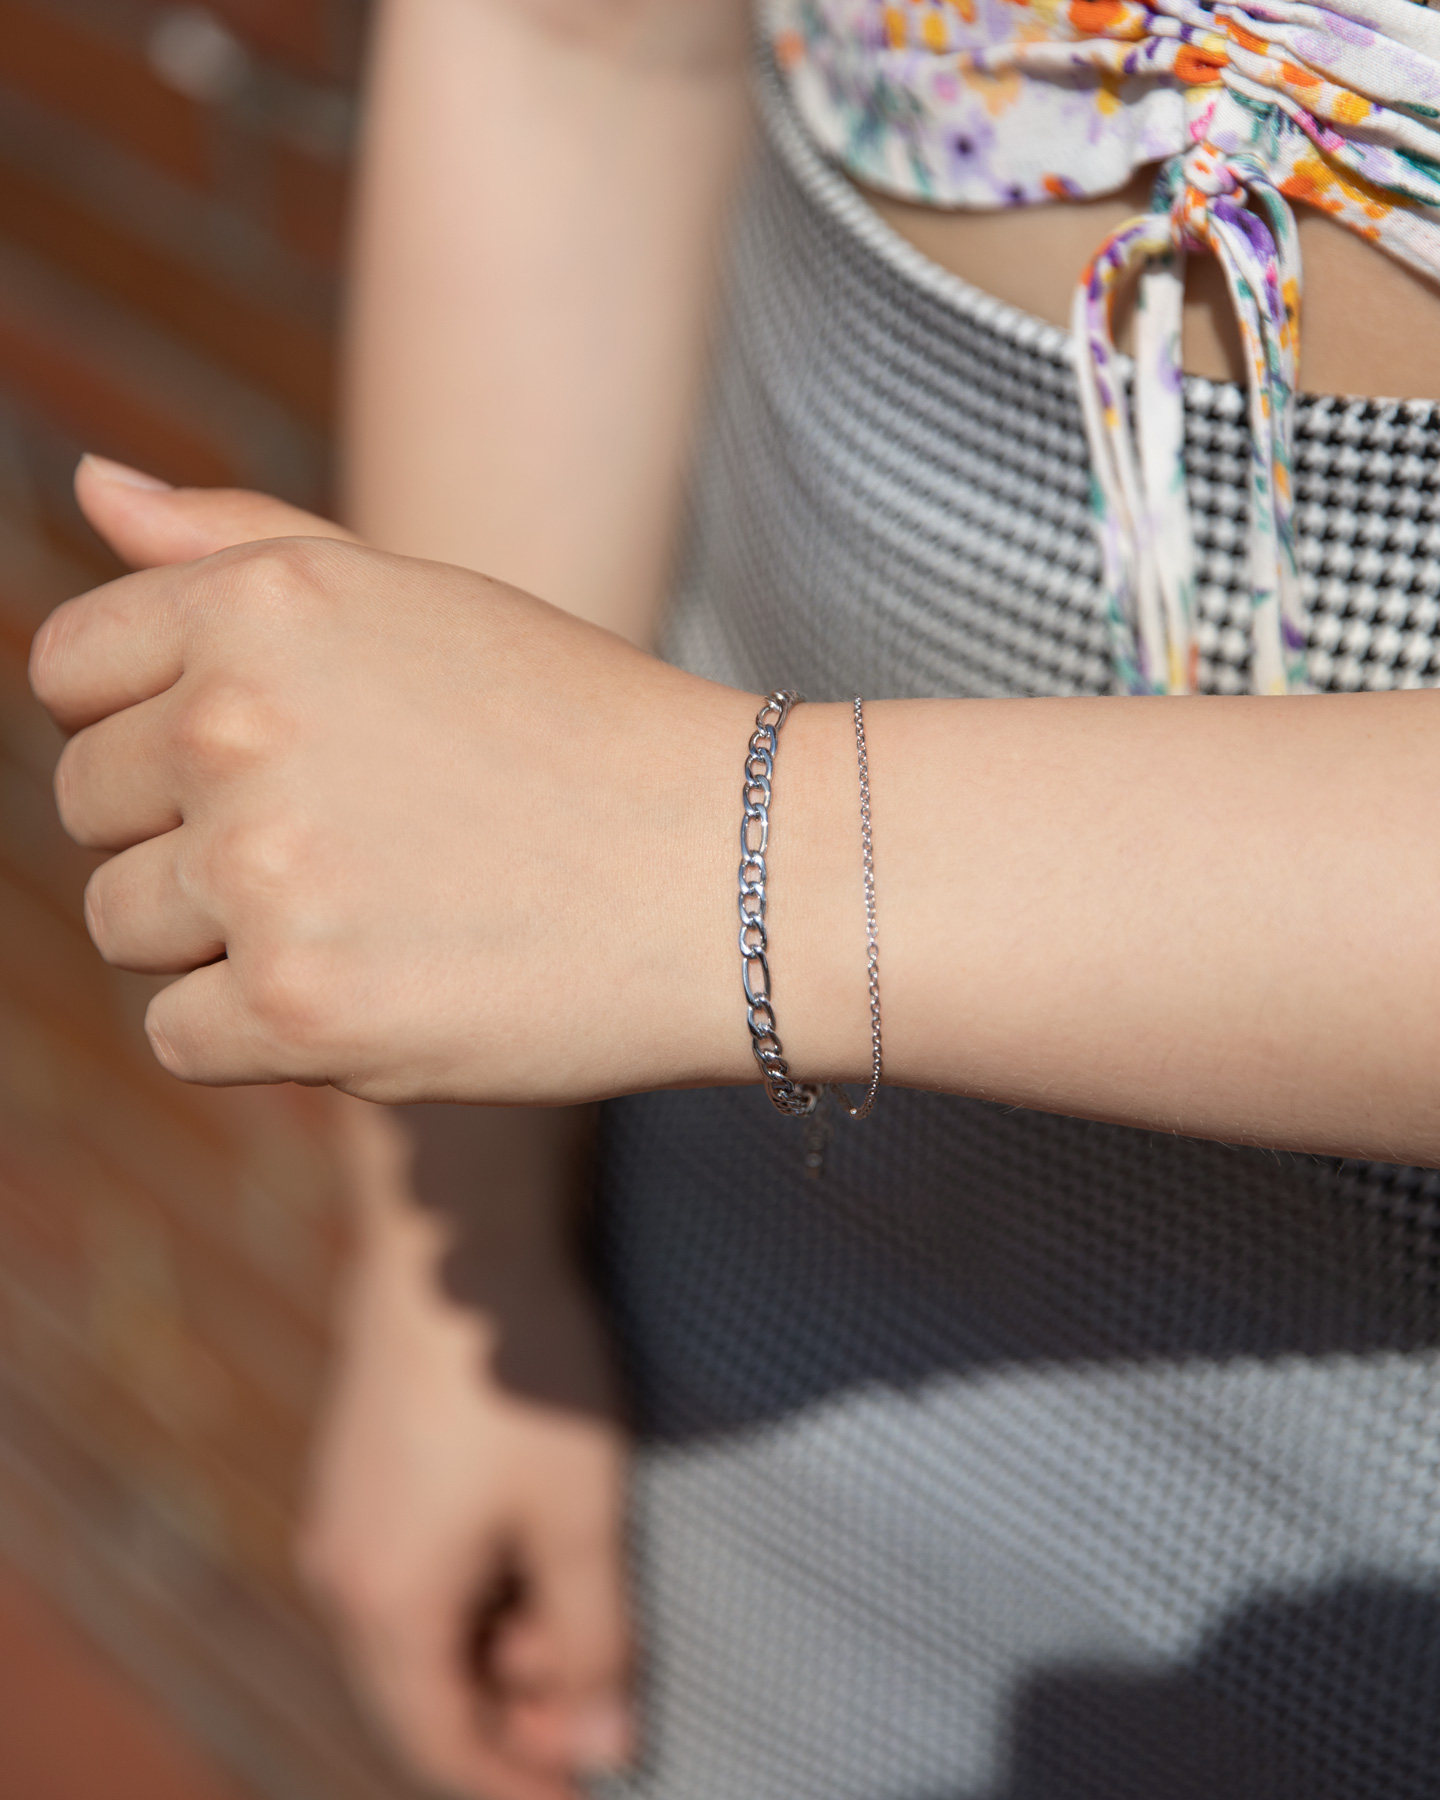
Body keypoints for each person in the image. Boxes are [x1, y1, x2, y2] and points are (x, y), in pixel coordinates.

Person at [32, 0, 1440, 1794]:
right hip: (771, 1211)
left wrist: (708, 853)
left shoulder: (684, 862)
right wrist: (464, 1264)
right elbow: (578, 49)